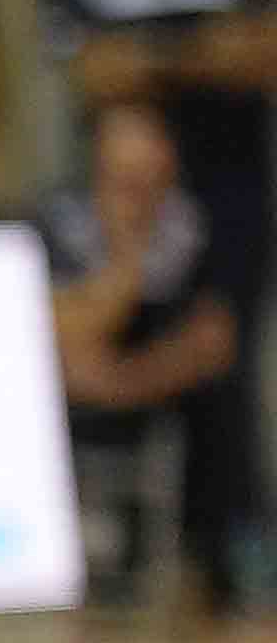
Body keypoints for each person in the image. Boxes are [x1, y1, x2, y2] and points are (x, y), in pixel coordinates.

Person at [52, 0, 272, 613]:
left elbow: (257, 56)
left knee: (226, 366)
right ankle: (102, 543)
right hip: (115, 196)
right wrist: (198, 51)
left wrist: (144, 53)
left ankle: (225, 548)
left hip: (225, 191)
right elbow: (93, 73)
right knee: (96, 335)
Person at [47, 100, 238, 608]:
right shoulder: (58, 225)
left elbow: (212, 347)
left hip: (156, 408)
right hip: (74, 413)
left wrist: (119, 381)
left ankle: (212, 571)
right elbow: (62, 343)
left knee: (222, 409)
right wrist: (126, 254)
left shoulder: (195, 232)